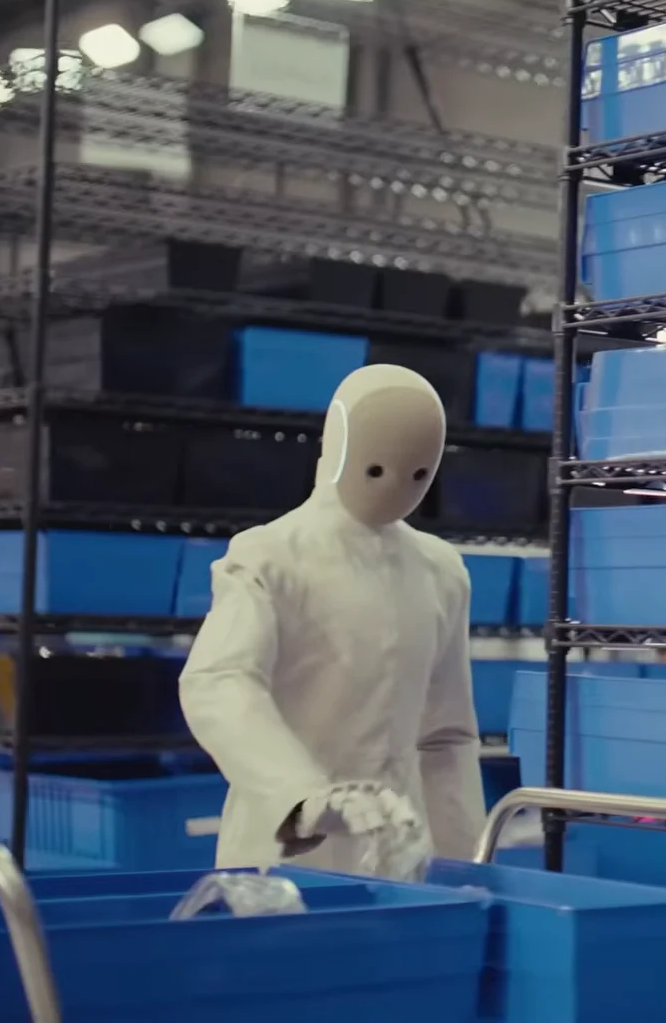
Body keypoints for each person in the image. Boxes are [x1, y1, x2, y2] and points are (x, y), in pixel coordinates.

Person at [179, 364, 485, 877]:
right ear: (338, 448)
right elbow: (219, 681)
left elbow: (446, 738)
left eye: (417, 475)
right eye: (376, 469)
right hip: (279, 858)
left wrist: (466, 868)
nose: (396, 488)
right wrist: (301, 796)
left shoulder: (440, 571)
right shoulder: (269, 558)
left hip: (400, 858)